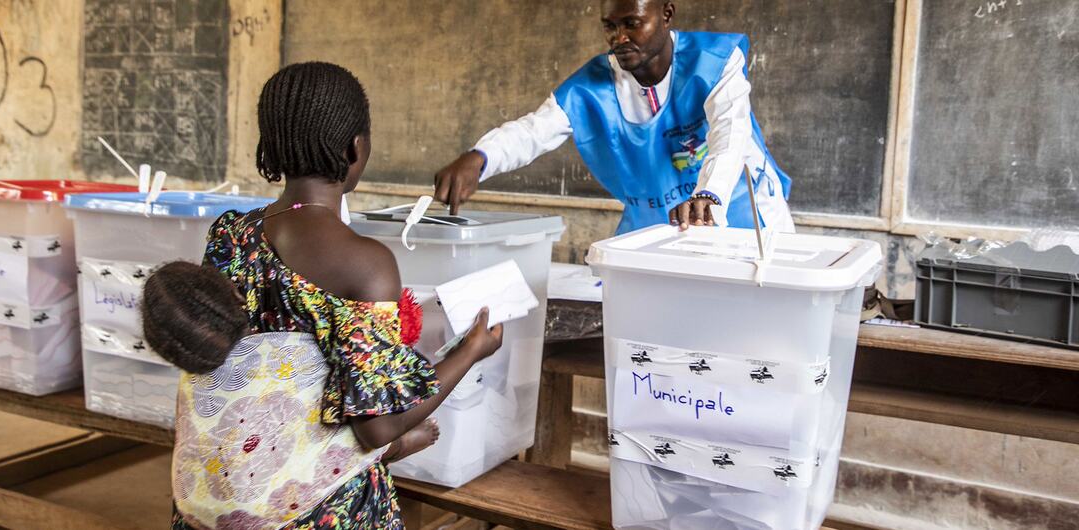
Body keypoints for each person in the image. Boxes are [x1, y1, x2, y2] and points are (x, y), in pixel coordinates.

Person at [140, 62, 504, 530]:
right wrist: (472, 349)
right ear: (358, 148)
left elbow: (268, 387)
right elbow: (377, 425)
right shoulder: (365, 263)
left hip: (222, 496)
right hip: (312, 514)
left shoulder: (230, 235)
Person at [434, 0, 794, 235]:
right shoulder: (590, 87)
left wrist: (710, 195)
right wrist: (479, 158)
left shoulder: (715, 61)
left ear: (666, 14)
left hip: (745, 214)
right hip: (662, 224)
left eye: (632, 23)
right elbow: (532, 131)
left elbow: (730, 134)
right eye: (610, 26)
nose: (619, 38)